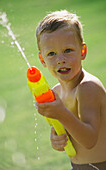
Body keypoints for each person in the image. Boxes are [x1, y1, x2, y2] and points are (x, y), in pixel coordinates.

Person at [35, 10, 106, 169]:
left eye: (67, 50)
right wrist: (57, 140)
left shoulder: (88, 87)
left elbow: (89, 140)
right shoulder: (57, 92)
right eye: (51, 53)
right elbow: (69, 131)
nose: (61, 60)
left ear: (82, 51)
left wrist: (61, 113)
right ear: (42, 60)